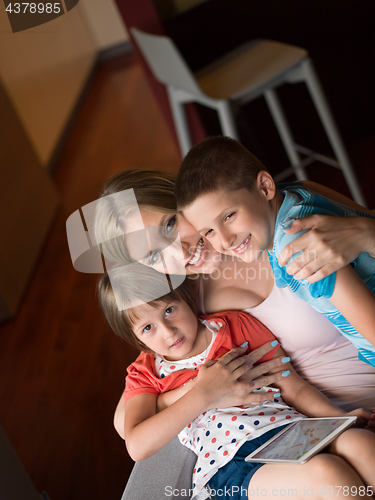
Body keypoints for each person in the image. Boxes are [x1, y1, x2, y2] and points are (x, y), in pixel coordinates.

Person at [94, 169, 375, 438]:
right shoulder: (188, 310)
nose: (180, 251)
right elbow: (124, 421)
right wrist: (203, 391)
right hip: (339, 421)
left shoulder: (278, 210)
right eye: (154, 255)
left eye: (169, 225)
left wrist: (366, 231)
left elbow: (365, 228)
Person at [98, 263, 375, 500]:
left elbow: (294, 387)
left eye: (169, 310)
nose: (168, 331)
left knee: (360, 444)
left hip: (290, 430)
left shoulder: (236, 325)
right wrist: (204, 393)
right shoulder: (145, 372)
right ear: (136, 340)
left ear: (185, 298)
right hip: (232, 465)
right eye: (148, 328)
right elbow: (137, 445)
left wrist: (341, 418)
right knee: (327, 473)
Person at [176, 136, 375, 368]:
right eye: (208, 231)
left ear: (265, 187)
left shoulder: (297, 245)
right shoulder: (296, 193)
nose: (226, 240)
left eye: (229, 216)